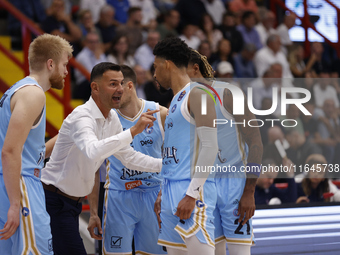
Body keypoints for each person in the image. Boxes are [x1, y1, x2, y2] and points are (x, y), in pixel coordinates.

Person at [41, 62, 162, 255]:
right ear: (95, 87)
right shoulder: (82, 117)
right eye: (113, 84)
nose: (120, 89)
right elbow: (93, 151)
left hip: (72, 203)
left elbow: (128, 157)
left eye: (121, 83)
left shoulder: (111, 118)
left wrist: (166, 166)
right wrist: (132, 131)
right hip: (53, 199)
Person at [0, 34, 73, 254]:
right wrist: (16, 202)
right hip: (21, 183)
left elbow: (29, 149)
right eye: (64, 65)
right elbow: (10, 150)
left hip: (11, 180)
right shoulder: (34, 94)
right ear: (50, 64)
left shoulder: (15, 90)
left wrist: (65, 136)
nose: (66, 72)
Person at [186, 49, 263, 255]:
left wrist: (249, 192)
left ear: (195, 68)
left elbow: (255, 142)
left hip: (234, 184)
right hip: (203, 184)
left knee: (240, 252)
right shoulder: (182, 99)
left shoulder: (229, 93)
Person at [87, 65, 168, 254]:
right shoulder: (106, 119)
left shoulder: (160, 113)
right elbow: (92, 166)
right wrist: (92, 212)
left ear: (129, 86)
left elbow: (176, 157)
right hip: (119, 196)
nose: (113, 95)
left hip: (154, 195)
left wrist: (166, 191)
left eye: (118, 87)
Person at [153, 37, 218, 255]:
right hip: (172, 189)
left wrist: (191, 194)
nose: (154, 74)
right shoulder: (174, 102)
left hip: (192, 191)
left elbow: (210, 147)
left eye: (155, 66)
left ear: (167, 64)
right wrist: (163, 192)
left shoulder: (197, 94)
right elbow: (175, 154)